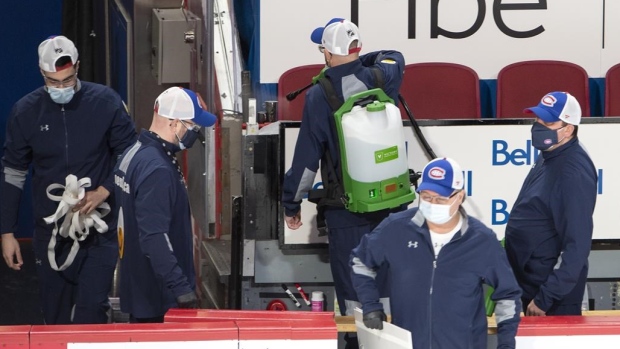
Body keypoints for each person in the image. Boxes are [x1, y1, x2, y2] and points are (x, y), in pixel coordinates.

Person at [281, 17, 406, 343]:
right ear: (358, 47)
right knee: (387, 289)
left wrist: (291, 204)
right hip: (390, 209)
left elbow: (306, 161)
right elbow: (395, 55)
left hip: (346, 212)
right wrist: (360, 60)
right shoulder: (383, 76)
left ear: (326, 52)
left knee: (354, 293)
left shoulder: (320, 95)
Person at [0, 35, 137, 324]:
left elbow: (130, 155)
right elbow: (13, 173)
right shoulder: (25, 112)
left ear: (77, 67)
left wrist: (104, 190)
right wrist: (7, 232)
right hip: (50, 232)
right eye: (53, 82)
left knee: (91, 310)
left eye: (67, 80)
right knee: (56, 314)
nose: (61, 88)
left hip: (100, 230)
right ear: (41, 73)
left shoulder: (106, 103)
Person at [351, 157, 522, 349]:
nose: (432, 204)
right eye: (426, 197)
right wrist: (370, 304)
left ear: (460, 196)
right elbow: (360, 262)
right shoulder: (395, 228)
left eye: (441, 199)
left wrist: (506, 344)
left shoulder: (481, 240)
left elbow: (508, 295)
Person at [114, 86, 216, 323]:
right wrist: (181, 288)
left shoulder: (133, 153)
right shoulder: (158, 170)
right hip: (158, 297)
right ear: (174, 124)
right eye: (191, 126)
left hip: (138, 287)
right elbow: (154, 237)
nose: (195, 132)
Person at [505, 91, 597, 316]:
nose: (539, 126)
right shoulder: (550, 154)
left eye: (548, 121)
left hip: (549, 298)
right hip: (530, 284)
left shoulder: (571, 173)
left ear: (568, 129)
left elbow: (576, 246)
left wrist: (545, 298)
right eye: (537, 119)